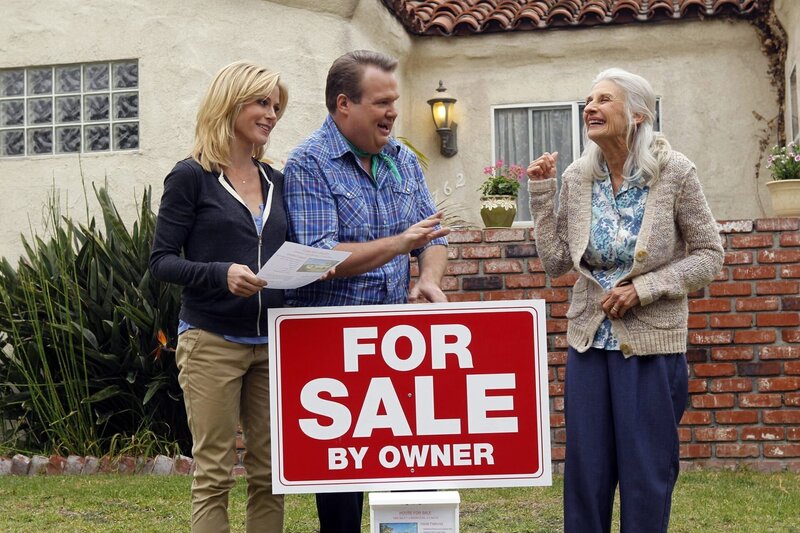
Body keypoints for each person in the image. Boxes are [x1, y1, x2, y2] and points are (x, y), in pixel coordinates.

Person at [526, 68, 724, 533]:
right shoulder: (578, 177)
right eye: (588, 100)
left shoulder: (675, 172)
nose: (590, 108)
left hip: (651, 348)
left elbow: (709, 254)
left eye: (604, 99)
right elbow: (556, 263)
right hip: (589, 343)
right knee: (586, 474)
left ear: (637, 114)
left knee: (645, 474)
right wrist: (541, 194)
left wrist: (644, 289)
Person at [283, 49, 450, 533]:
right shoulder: (309, 163)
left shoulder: (402, 159)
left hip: (395, 343)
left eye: (393, 101)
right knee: (342, 483)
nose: (393, 112)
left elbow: (433, 237)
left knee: (407, 469)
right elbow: (318, 257)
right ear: (344, 105)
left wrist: (428, 278)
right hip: (331, 347)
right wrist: (399, 244)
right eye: (381, 103)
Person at [149, 60, 290, 533]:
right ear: (230, 104)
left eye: (276, 106)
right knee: (213, 473)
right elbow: (161, 261)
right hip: (210, 342)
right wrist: (219, 273)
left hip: (270, 345)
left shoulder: (276, 181)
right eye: (261, 103)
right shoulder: (191, 176)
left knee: (269, 474)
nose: (271, 114)